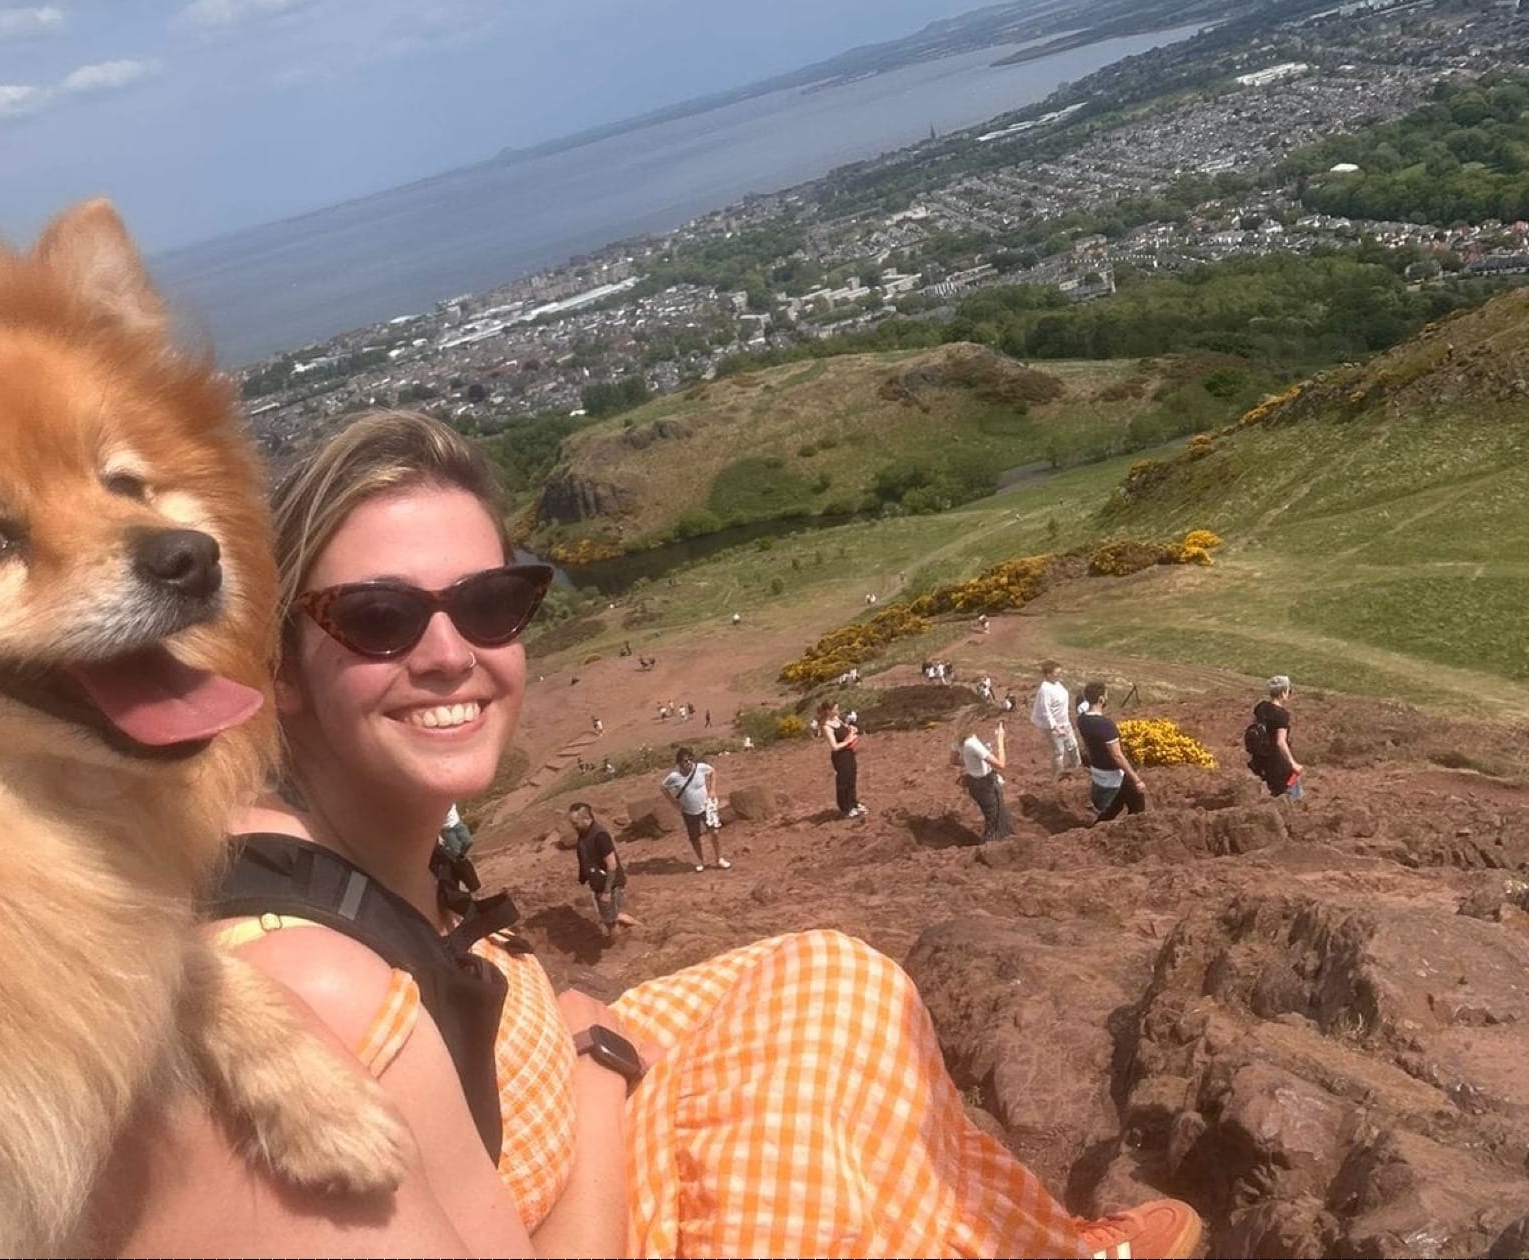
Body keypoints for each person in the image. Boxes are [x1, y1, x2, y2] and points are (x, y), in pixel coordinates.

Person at [207, 411, 1198, 1258]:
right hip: (585, 1189)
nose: (447, 655)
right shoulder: (307, 996)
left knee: (825, 979)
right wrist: (593, 1068)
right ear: (277, 668)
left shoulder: (345, 853)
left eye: (488, 603)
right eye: (377, 617)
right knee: (811, 1125)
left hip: (550, 1135)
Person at [1076, 683, 1146, 823]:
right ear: (1101, 699)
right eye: (1106, 695)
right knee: (1137, 806)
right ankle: (1131, 831)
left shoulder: (1082, 720)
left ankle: (1098, 828)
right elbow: (1117, 756)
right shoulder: (1105, 725)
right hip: (1114, 773)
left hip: (1098, 768)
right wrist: (1136, 779)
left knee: (1115, 805)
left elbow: (1082, 708)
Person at [570, 802, 639, 940]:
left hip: (609, 885)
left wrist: (607, 891)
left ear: (586, 819)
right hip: (599, 883)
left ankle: (617, 944)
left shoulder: (600, 836)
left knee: (610, 921)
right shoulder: (584, 833)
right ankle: (635, 926)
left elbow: (612, 865)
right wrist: (583, 877)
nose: (573, 826)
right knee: (610, 915)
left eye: (575, 823)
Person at [661, 746, 729, 871]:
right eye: (685, 761)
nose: (689, 763)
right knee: (695, 837)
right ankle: (700, 861)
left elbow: (713, 772)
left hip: (706, 806)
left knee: (715, 832)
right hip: (689, 811)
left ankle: (719, 858)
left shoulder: (701, 768)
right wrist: (673, 802)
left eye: (690, 759)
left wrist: (712, 789)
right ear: (679, 763)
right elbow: (663, 787)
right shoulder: (674, 776)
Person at [1249, 675, 1305, 800]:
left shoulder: (1261, 707)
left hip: (1262, 760)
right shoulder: (1281, 715)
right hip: (1278, 762)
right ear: (1283, 692)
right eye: (1289, 691)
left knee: (1274, 792)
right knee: (1295, 796)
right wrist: (1293, 764)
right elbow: (1280, 742)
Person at [960, 719, 1013, 842]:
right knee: (995, 819)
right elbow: (1001, 764)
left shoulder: (960, 739)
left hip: (973, 783)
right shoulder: (973, 743)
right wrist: (1000, 740)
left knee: (994, 815)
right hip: (985, 784)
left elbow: (953, 760)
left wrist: (971, 762)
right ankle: (992, 846)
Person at [1031, 659, 1082, 778]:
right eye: (1057, 674)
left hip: (1065, 722)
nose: (1060, 676)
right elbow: (1046, 711)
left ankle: (1078, 769)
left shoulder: (1057, 684)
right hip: (1053, 726)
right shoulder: (1045, 689)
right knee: (1059, 752)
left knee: (1073, 746)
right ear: (1049, 675)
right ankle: (1057, 776)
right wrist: (1055, 727)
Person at [820, 700, 864, 820]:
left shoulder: (837, 720)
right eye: (836, 708)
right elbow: (834, 746)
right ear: (829, 711)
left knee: (851, 778)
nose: (838, 710)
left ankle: (854, 803)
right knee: (843, 782)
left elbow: (845, 730)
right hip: (840, 756)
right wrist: (848, 741)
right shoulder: (826, 726)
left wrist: (851, 729)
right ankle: (846, 808)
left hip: (849, 753)